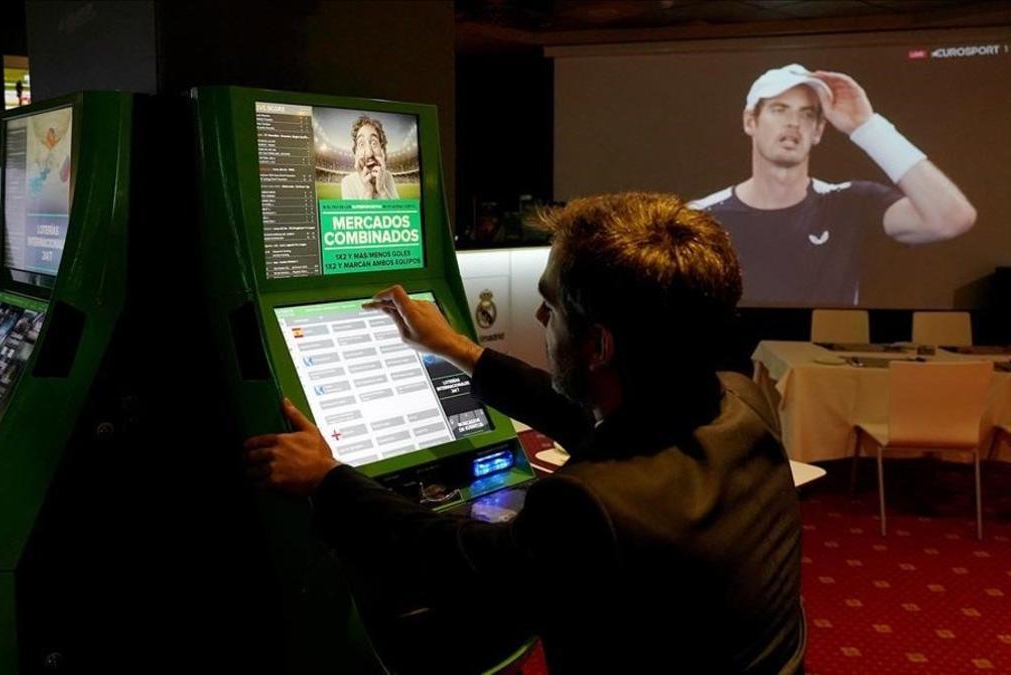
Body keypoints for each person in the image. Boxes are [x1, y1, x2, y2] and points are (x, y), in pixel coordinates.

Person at [244, 192, 805, 673]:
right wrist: (458, 349)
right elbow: (587, 418)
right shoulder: (740, 403)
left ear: (599, 346)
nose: (541, 320)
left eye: (551, 305)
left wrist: (329, 479)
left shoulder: (590, 506)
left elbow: (458, 559)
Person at [691, 64, 976, 305]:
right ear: (750, 121)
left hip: (824, 368)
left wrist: (866, 127)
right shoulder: (701, 218)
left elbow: (950, 219)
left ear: (818, 130)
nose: (793, 123)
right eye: (779, 109)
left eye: (806, 114)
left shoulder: (849, 202)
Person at [340, 115, 400, 200]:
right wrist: (367, 192)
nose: (369, 153)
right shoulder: (347, 182)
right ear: (355, 153)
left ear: (382, 149)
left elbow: (400, 213)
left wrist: (382, 190)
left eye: (374, 143)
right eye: (362, 144)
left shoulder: (388, 177)